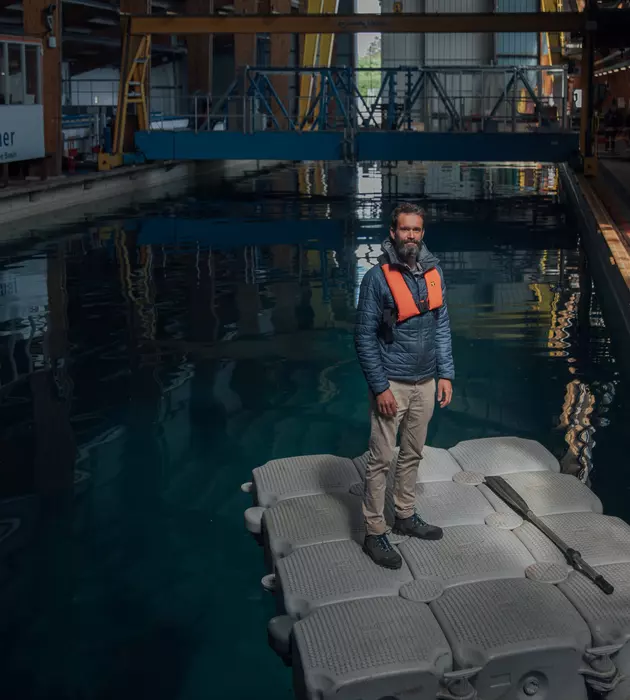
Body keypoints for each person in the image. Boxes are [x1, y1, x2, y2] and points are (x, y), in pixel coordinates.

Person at [354, 202, 455, 569]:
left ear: (422, 233)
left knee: (412, 453)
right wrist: (380, 387)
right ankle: (374, 530)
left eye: (416, 230)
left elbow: (442, 327)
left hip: (426, 381)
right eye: (404, 230)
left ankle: (406, 514)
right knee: (381, 458)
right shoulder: (376, 279)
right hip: (392, 384)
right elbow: (364, 337)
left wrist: (446, 374)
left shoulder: (434, 272)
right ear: (393, 233)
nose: (410, 236)